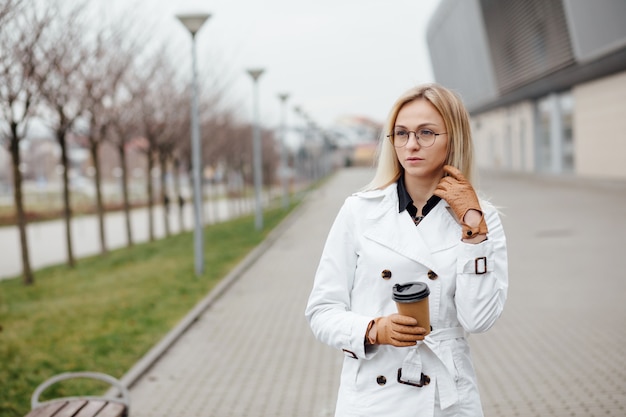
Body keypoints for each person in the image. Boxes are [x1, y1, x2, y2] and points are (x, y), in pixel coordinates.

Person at [305, 83, 508, 417]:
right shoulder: (359, 211)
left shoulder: (482, 220)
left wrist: (473, 230)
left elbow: (479, 320)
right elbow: (322, 311)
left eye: (426, 133)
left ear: (453, 138)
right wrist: (372, 329)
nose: (411, 144)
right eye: (401, 133)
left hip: (446, 400)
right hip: (373, 397)